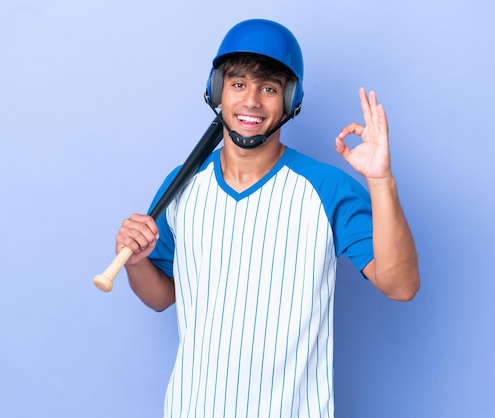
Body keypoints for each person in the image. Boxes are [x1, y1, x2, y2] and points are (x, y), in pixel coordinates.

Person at [115, 19, 419, 418]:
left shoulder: (327, 189)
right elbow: (160, 297)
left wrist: (381, 181)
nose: (252, 101)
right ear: (216, 91)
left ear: (290, 100)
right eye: (238, 84)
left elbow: (400, 286)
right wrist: (136, 263)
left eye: (269, 88)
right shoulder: (182, 186)